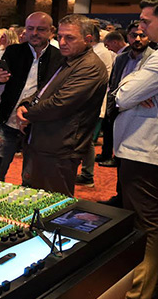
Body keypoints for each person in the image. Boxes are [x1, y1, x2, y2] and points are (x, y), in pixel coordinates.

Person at [16, 14, 108, 196]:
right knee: (34, 195)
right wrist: (25, 103)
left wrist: (28, 113)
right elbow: (44, 89)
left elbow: (60, 103)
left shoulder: (90, 66)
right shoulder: (68, 58)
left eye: (70, 38)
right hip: (44, 140)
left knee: (53, 202)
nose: (63, 42)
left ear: (88, 39)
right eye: (60, 37)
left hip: (61, 146)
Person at [114, 0, 158, 299]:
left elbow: (121, 95)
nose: (140, 27)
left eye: (146, 20)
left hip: (145, 153)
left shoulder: (156, 61)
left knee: (147, 226)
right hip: (143, 150)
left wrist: (131, 89)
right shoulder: (151, 57)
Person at [0, 12, 62, 182]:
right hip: (8, 120)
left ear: (51, 31)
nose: (34, 33)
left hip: (38, 125)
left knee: (31, 176)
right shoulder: (13, 51)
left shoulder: (58, 57)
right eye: (30, 28)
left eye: (40, 29)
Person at [99, 23, 153, 169]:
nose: (137, 39)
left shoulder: (153, 58)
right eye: (133, 35)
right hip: (118, 105)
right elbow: (113, 84)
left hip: (142, 110)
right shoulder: (120, 58)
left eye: (142, 35)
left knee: (133, 158)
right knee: (116, 142)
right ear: (127, 37)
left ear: (149, 37)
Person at [75, 25, 115, 187]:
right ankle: (86, 173)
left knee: (87, 140)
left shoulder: (98, 53)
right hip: (89, 103)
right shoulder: (96, 51)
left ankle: (87, 174)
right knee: (85, 139)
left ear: (89, 37)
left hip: (93, 103)